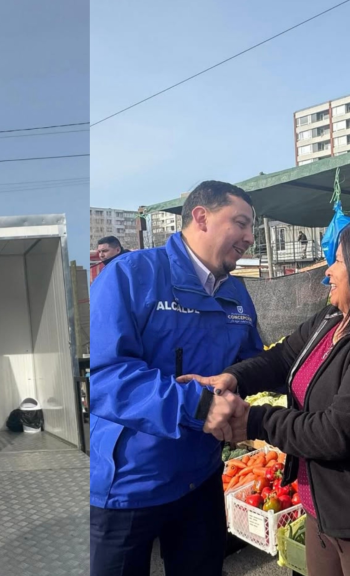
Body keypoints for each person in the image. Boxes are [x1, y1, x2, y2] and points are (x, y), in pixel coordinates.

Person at [180, 225, 350, 576]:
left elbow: (335, 432)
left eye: (338, 261)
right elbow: (282, 357)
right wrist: (234, 378)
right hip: (320, 511)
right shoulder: (331, 320)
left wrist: (253, 420)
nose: (328, 270)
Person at [88, 180, 264, 576]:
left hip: (200, 478)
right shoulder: (130, 275)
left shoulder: (237, 293)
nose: (250, 238)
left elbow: (250, 361)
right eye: (240, 223)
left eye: (252, 227)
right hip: (130, 484)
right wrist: (199, 406)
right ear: (201, 217)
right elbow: (107, 376)